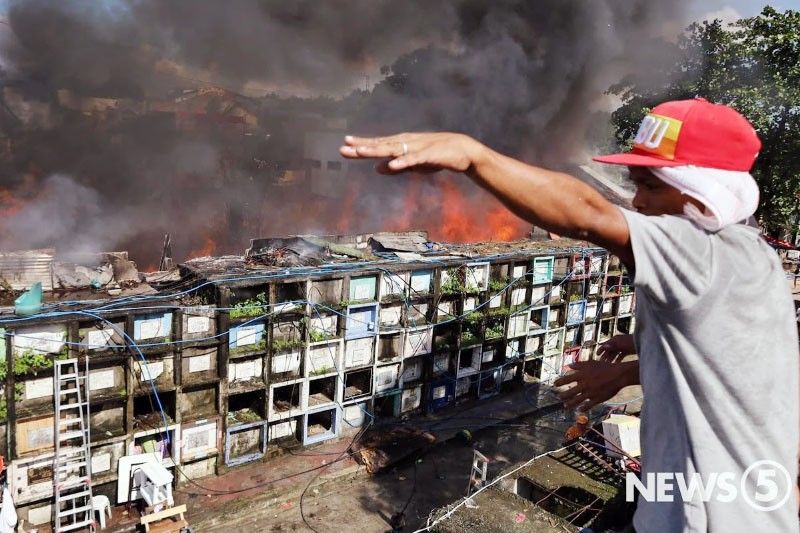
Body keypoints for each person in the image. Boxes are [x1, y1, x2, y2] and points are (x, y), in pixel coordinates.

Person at [340, 97, 799, 532]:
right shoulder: (750, 259)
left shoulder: (704, 250)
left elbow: (587, 214)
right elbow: (725, 358)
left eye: (651, 186)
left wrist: (472, 156)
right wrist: (638, 353)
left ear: (703, 194)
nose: (637, 202)